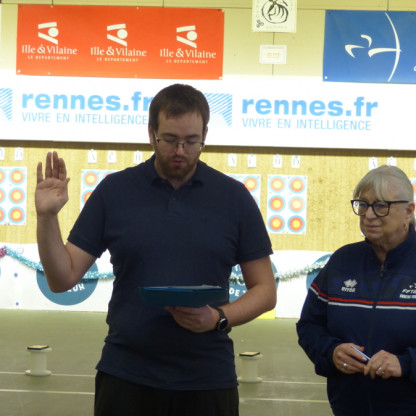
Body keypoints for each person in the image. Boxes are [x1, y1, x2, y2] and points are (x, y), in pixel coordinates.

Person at [35, 83, 276, 416]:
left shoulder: (234, 198)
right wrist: (47, 217)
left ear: (205, 135)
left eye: (192, 141)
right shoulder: (115, 191)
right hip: (126, 376)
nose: (180, 150)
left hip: (207, 379)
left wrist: (218, 318)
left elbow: (265, 291)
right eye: (170, 139)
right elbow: (62, 278)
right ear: (151, 134)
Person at [297, 165, 416, 416]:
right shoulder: (342, 261)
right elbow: (309, 325)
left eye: (381, 206)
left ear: (409, 211)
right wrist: (331, 352)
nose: (369, 215)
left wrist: (406, 363)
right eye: (363, 205)